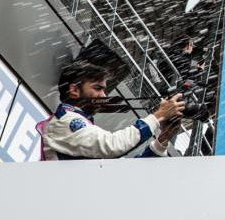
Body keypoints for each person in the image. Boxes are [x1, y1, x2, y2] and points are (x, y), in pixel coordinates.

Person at [43, 59, 184, 160]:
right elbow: (113, 146)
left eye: (104, 90)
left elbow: (127, 172)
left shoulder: (76, 122)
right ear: (75, 90)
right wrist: (158, 116)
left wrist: (163, 139)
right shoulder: (66, 120)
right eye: (97, 88)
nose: (104, 95)